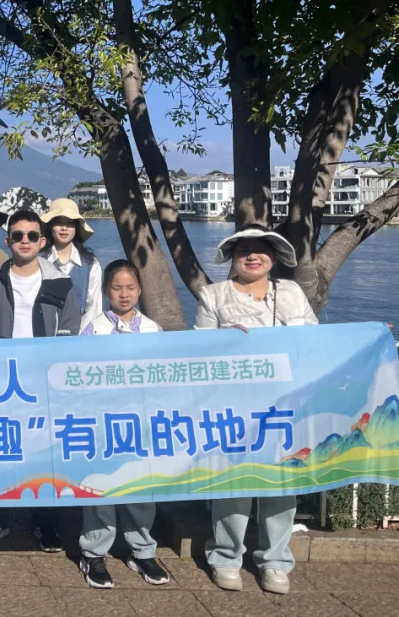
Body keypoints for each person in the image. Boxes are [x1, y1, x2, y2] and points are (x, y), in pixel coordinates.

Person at [196, 226, 316, 596]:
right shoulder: (213, 295)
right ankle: (225, 556)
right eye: (243, 250)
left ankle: (275, 560)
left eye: (260, 250)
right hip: (234, 406)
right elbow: (198, 352)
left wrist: (365, 336)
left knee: (282, 482)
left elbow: (315, 340)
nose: (252, 256)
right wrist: (223, 341)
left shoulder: (291, 292)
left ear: (274, 258)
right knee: (234, 482)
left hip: (285, 404)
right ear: (233, 258)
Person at [0, 208, 80, 550]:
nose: (25, 241)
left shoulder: (60, 282)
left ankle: (46, 523)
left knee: (45, 452)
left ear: (43, 241)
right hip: (4, 378)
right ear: (7, 240)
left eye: (32, 235)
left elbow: (70, 327)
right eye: (18, 235)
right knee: (3, 445)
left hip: (44, 378)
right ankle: (1, 517)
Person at [77, 260, 170, 589]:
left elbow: (164, 375)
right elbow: (80, 374)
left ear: (140, 290)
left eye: (130, 287)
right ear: (106, 291)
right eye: (117, 287)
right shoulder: (93, 329)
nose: (124, 294)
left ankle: (142, 550)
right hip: (103, 421)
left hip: (141, 421)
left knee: (141, 487)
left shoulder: (153, 330)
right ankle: (94, 553)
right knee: (100, 487)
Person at [40, 198, 102, 326]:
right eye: (58, 223)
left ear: (76, 228)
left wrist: (83, 335)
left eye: (69, 223)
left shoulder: (90, 264)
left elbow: (94, 307)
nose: (64, 228)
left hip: (80, 333)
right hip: (44, 332)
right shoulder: (39, 261)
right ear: (50, 227)